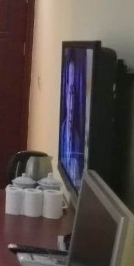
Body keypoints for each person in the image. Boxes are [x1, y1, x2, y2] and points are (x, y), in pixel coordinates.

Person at [59, 52, 84, 189]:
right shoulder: (61, 133)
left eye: (74, 93)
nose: (72, 100)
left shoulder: (79, 141)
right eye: (69, 93)